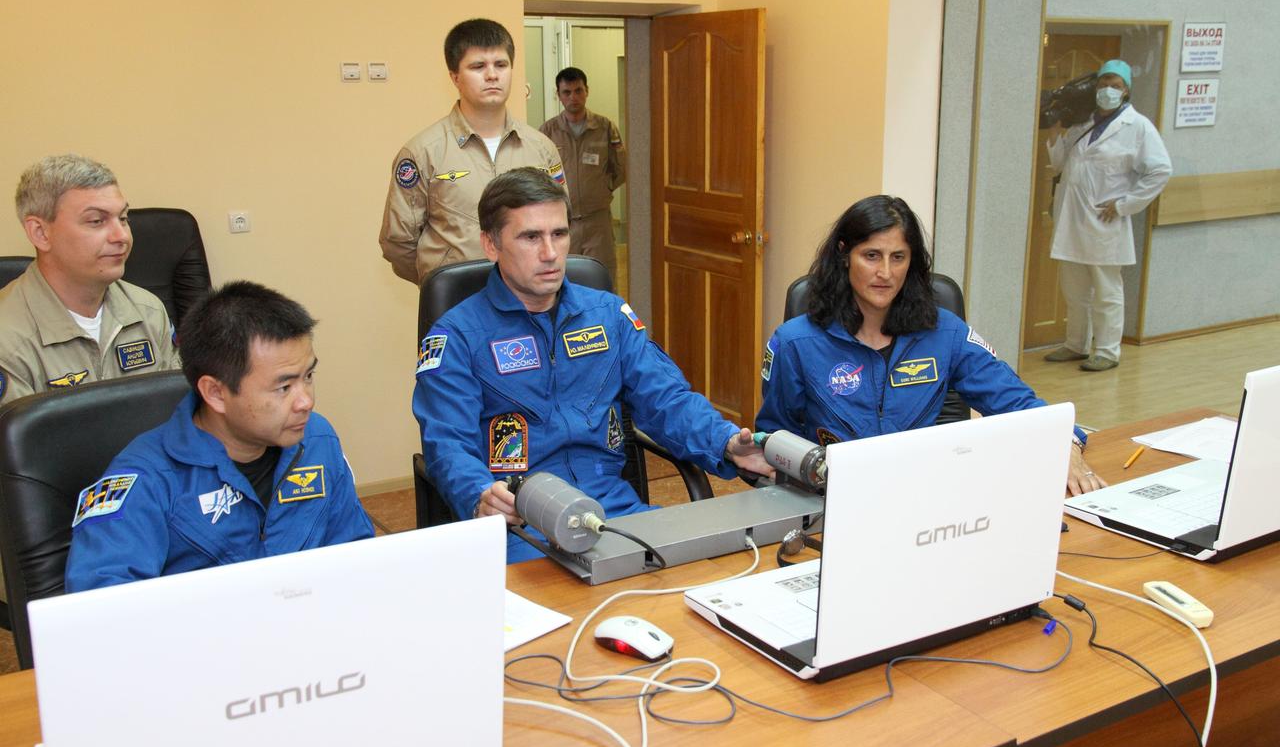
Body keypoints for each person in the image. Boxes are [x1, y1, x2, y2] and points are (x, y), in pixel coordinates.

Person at [413, 167, 772, 562]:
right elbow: (448, 445)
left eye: (559, 234)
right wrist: (479, 495)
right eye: (531, 237)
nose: (550, 253)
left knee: (701, 586)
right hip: (520, 527)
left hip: (613, 511)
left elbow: (666, 399)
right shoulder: (458, 336)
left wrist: (723, 441)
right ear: (491, 243)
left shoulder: (608, 315)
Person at [756, 195, 1103, 497]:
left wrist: (1065, 443)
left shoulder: (945, 333)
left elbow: (1015, 401)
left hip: (924, 497)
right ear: (845, 254)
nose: (886, 273)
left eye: (898, 257)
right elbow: (775, 438)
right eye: (872, 256)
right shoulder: (795, 342)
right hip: (830, 503)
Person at [65, 281, 374, 591]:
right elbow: (101, 612)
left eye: (308, 376)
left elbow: (357, 557)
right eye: (284, 387)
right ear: (215, 393)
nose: (306, 401)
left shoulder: (317, 440)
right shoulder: (146, 479)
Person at [379, 18, 565, 286]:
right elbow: (398, 242)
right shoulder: (423, 152)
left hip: (528, 300)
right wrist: (441, 278)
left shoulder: (541, 148)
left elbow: (560, 222)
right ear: (455, 77)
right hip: (457, 301)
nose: (492, 75)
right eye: (478, 66)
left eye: (501, 65)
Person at [0, 154, 179, 404]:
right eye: (97, 221)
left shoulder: (148, 310)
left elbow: (174, 413)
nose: (121, 236)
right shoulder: (7, 339)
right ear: (40, 233)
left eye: (124, 218)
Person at [1044, 58, 1172, 372]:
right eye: (1103, 84)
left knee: (1106, 292)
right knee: (1074, 291)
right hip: (1072, 220)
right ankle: (1076, 344)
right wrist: (1055, 133)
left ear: (1126, 90)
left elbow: (1160, 170)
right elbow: (1061, 165)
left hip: (1105, 222)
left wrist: (1126, 204)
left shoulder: (1137, 127)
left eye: (1115, 85)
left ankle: (1107, 351)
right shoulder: (1083, 123)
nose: (1107, 90)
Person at [539, 67, 627, 284]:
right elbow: (537, 175)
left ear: (587, 91)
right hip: (560, 222)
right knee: (561, 282)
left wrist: (602, 189)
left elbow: (622, 168)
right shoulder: (547, 132)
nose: (573, 97)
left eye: (578, 91)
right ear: (558, 95)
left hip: (597, 222)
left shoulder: (605, 128)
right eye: (567, 92)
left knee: (602, 280)